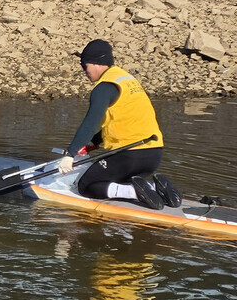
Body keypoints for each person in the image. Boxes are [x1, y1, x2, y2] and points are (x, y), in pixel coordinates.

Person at [57, 39, 181, 210]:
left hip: (129, 157)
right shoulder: (128, 81)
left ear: (97, 63)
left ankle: (134, 192)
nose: (84, 70)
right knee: (116, 177)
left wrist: (70, 154)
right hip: (154, 155)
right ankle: (156, 188)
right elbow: (124, 120)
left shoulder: (104, 88)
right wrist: (93, 143)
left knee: (85, 185)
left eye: (84, 65)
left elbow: (90, 123)